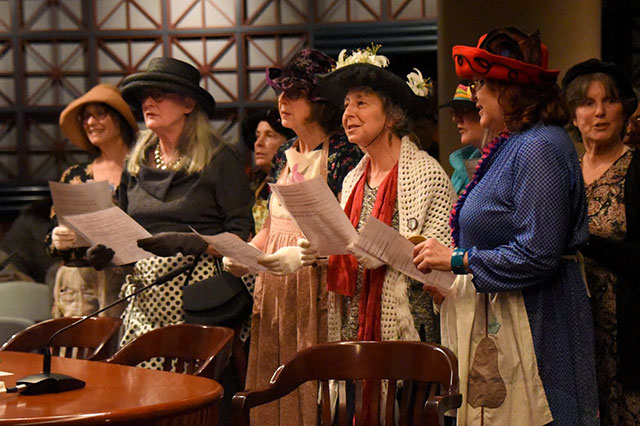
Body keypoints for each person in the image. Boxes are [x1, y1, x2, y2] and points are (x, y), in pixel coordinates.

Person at [413, 28, 598, 425]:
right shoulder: (516, 142)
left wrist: (458, 260)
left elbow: (538, 254)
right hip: (507, 314)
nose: (473, 94)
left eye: (480, 85)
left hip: (537, 319)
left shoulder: (540, 147)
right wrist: (455, 282)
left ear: (509, 90)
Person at [223, 49, 362, 426]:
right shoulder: (285, 152)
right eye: (281, 92)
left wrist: (306, 255)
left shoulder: (343, 154)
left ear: (318, 101)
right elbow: (271, 223)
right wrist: (245, 254)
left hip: (316, 286)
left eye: (293, 94)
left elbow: (348, 230)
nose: (282, 102)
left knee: (312, 389)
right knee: (273, 382)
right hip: (275, 290)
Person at [88, 57, 254, 355]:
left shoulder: (219, 158)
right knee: (140, 390)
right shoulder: (135, 163)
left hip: (202, 299)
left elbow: (241, 240)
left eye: (159, 95)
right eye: (144, 96)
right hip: (144, 298)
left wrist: (190, 242)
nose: (148, 103)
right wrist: (109, 255)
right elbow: (128, 234)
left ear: (188, 104)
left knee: (191, 393)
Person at [563, 58, 640, 426]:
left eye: (608, 101)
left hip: (626, 332)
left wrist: (584, 241)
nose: (598, 112)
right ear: (573, 115)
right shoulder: (566, 173)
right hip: (573, 329)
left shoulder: (636, 170)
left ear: (624, 109)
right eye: (587, 103)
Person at [47, 83, 138, 317]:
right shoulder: (74, 175)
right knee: (74, 353)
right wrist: (57, 240)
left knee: (125, 351)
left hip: (127, 280)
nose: (90, 122)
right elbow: (51, 235)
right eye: (85, 116)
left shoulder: (142, 171)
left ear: (120, 119)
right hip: (78, 283)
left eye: (100, 113)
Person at [241, 109, 294, 235]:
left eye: (269, 135)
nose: (258, 143)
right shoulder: (258, 184)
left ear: (288, 143)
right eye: (257, 136)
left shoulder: (294, 181)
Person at [440, 82, 486, 194]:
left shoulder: (507, 160)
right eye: (454, 112)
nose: (456, 118)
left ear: (483, 111)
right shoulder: (460, 165)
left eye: (465, 110)